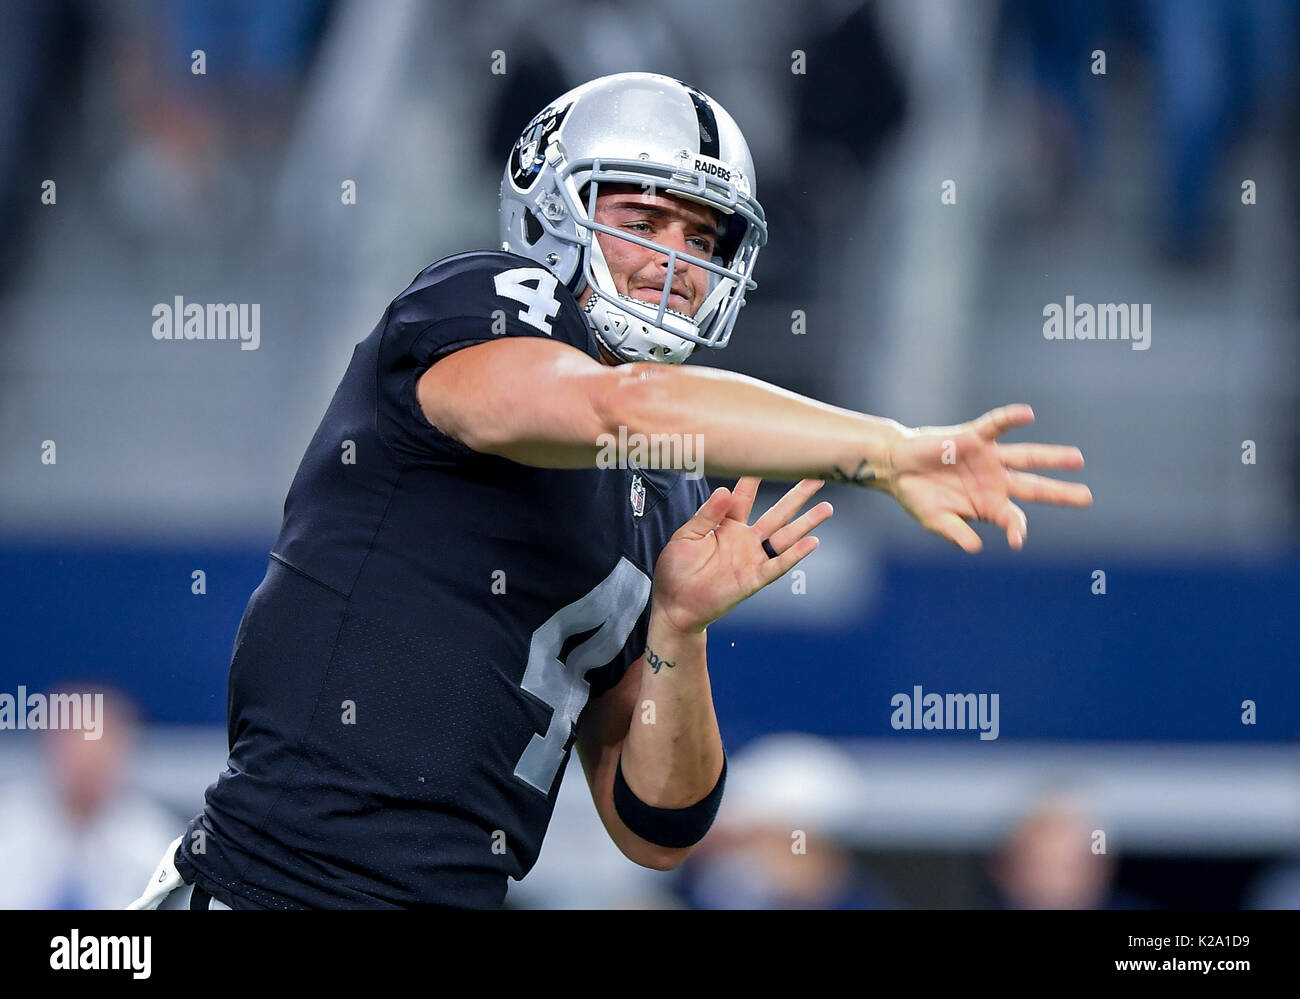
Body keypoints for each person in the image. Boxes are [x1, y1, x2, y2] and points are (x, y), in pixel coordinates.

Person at [131, 71, 1091, 910]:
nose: (676, 261)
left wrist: (679, 626)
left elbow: (655, 826)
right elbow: (612, 407)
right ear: (555, 208)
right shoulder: (479, 304)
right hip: (276, 885)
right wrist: (882, 448)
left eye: (703, 235)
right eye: (642, 220)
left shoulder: (668, 483)